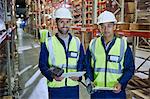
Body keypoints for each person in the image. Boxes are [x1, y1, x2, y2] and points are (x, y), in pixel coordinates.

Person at [85, 11, 135, 99]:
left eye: (109, 26)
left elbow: (130, 68)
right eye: (102, 26)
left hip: (116, 92)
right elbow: (87, 66)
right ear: (99, 28)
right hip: (97, 92)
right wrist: (90, 80)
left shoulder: (123, 45)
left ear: (114, 27)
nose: (106, 29)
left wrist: (121, 83)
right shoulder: (93, 44)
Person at [39, 7, 85, 99]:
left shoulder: (77, 42)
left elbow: (82, 62)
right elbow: (42, 65)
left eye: (67, 22)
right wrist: (52, 75)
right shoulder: (48, 43)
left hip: (73, 87)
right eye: (61, 22)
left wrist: (79, 77)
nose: (65, 25)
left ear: (70, 23)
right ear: (56, 23)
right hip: (56, 88)